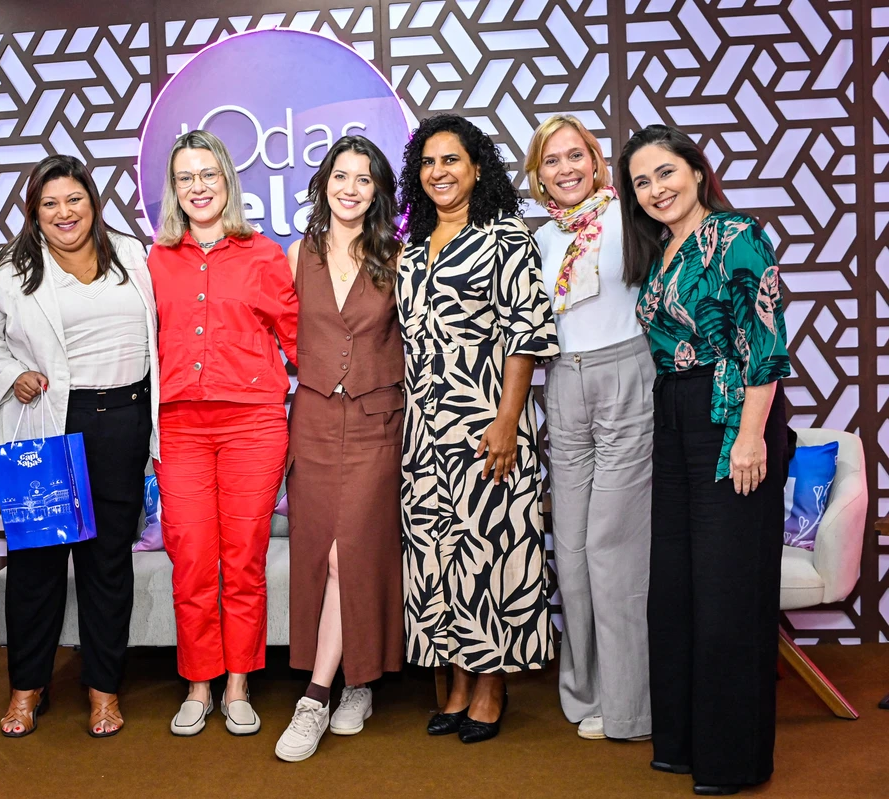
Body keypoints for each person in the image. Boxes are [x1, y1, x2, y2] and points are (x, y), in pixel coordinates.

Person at [619, 124, 791, 796]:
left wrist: (751, 436)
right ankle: (683, 743)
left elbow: (763, 341)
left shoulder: (737, 234)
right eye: (641, 182)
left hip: (731, 416)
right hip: (673, 416)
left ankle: (733, 760)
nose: (656, 189)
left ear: (695, 170)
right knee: (678, 587)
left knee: (727, 593)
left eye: (666, 173)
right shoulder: (662, 251)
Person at [0, 154, 158, 739]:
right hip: (47, 423)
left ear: (93, 203)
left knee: (107, 564)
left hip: (123, 422)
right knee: (37, 566)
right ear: (34, 212)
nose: (63, 212)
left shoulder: (133, 255)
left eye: (73, 199)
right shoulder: (11, 267)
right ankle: (27, 688)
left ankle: (104, 689)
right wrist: (8, 376)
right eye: (49, 203)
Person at [397, 114, 559, 744]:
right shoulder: (410, 248)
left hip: (487, 421)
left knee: (493, 551)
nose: (439, 173)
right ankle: (459, 681)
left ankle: (493, 686)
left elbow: (525, 333)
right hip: (423, 430)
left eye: (452, 161)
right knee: (438, 558)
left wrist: (508, 421)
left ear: (477, 168)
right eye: (428, 163)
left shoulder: (506, 238)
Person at [147, 130, 298, 738]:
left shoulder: (265, 255)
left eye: (209, 174)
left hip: (254, 428)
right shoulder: (152, 261)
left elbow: (300, 342)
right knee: (190, 561)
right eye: (186, 177)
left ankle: (238, 683)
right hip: (179, 428)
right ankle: (198, 683)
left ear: (228, 182)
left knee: (243, 561)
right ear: (174, 190)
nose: (199, 186)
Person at [274, 136, 405, 762]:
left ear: (378, 191)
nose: (350, 188)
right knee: (320, 552)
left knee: (348, 553)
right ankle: (359, 681)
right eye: (340, 176)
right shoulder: (297, 253)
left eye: (364, 179)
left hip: (379, 423)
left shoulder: (398, 256)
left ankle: (316, 695)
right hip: (316, 422)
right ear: (325, 184)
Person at [524, 115, 654, 742]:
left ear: (597, 162)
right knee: (570, 549)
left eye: (576, 156)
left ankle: (631, 705)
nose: (566, 169)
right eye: (552, 161)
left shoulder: (632, 215)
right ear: (537, 173)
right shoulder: (541, 239)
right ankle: (585, 690)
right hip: (563, 386)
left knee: (613, 546)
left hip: (627, 374)